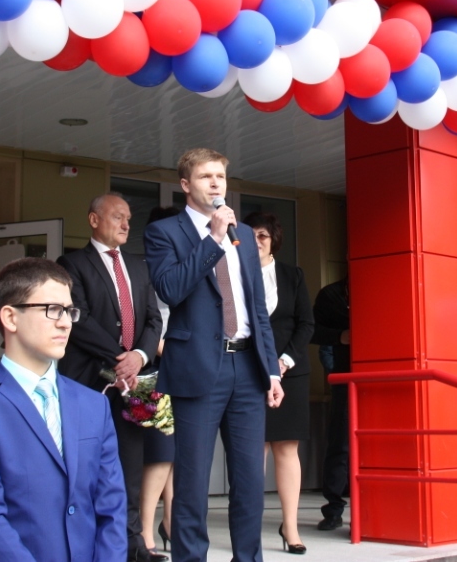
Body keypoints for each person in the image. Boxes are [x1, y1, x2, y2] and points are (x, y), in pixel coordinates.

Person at [144, 148, 284, 562]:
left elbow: (257, 310)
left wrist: (272, 370)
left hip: (248, 368)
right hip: (197, 368)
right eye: (206, 176)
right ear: (186, 184)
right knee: (192, 480)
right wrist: (213, 240)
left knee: (250, 480)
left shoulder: (245, 238)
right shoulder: (165, 232)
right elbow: (171, 289)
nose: (215, 183)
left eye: (220, 176)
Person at [0, 258, 127, 560]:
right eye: (52, 309)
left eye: (69, 311)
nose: (65, 322)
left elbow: (112, 508)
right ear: (10, 318)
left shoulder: (93, 404)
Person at [56, 192, 163, 562]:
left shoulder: (139, 265)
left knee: (131, 465)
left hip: (137, 381)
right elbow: (79, 318)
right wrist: (121, 358)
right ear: (94, 220)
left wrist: (139, 356)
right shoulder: (71, 263)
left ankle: (133, 546)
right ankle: (86, 545)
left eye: (129, 218)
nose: (126, 224)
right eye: (118, 216)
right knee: (85, 464)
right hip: (90, 379)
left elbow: (153, 319)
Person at [244, 211, 314, 556]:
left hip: (291, 373)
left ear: (274, 241)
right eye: (251, 235)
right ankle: (248, 528)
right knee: (253, 450)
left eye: (263, 236)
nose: (257, 241)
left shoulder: (292, 275)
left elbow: (306, 324)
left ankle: (291, 527)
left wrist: (284, 361)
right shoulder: (235, 272)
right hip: (247, 372)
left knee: (287, 449)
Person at [139, 206, 181, 560]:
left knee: (176, 452)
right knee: (161, 451)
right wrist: (160, 346)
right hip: (155, 366)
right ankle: (144, 531)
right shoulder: (141, 270)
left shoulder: (188, 266)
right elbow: (142, 319)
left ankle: (170, 523)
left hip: (185, 367)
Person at [310, 276, 350, 532]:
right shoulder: (332, 295)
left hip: (384, 375)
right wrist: (340, 337)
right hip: (346, 376)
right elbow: (311, 329)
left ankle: (374, 508)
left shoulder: (383, 289)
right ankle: (334, 508)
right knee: (340, 442)